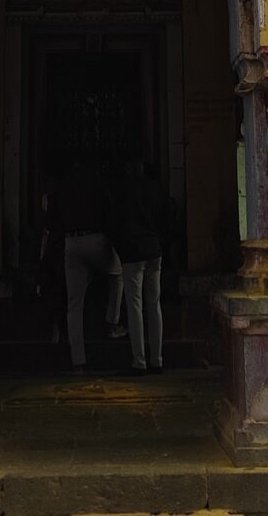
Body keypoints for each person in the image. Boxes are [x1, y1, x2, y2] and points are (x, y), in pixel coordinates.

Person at [107, 153, 170, 373]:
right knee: (154, 304)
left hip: (133, 251)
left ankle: (139, 360)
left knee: (135, 305)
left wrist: (121, 247)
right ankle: (157, 359)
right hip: (154, 249)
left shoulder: (123, 191)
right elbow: (166, 216)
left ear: (128, 168)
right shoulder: (154, 189)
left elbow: (115, 221)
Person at [53, 152, 113, 370]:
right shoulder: (97, 184)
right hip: (96, 239)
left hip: (72, 241)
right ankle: (114, 319)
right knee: (118, 274)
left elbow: (54, 217)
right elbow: (109, 211)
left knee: (74, 303)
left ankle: (78, 359)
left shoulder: (63, 187)